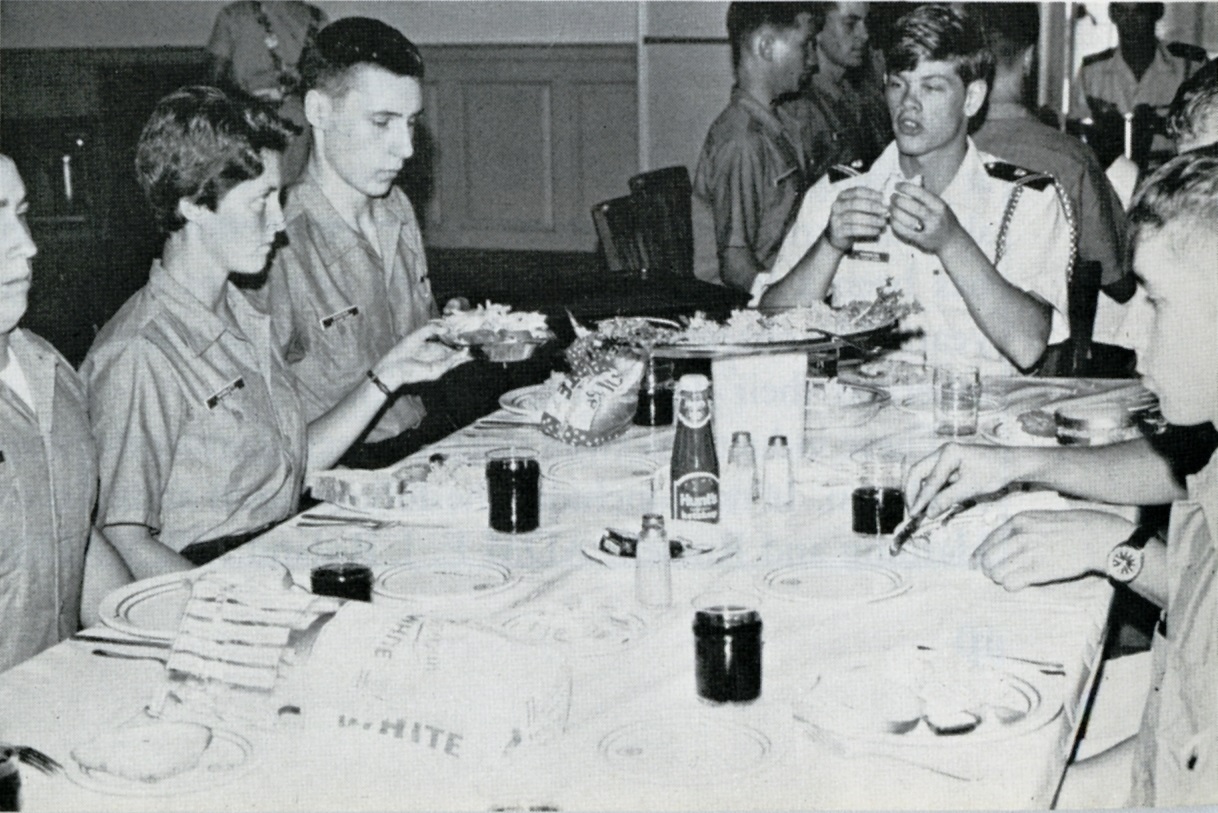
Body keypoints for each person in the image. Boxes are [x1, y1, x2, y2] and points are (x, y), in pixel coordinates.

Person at [905, 144, 1218, 808]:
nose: (1132, 331)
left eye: (1157, 304)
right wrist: (1022, 464)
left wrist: (1118, 547)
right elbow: (1172, 741)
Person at [81, 87, 469, 580]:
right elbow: (120, 540)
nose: (280, 222)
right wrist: (228, 613)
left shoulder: (242, 315)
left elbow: (291, 470)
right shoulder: (140, 351)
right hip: (208, 582)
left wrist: (387, 376)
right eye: (261, 200)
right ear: (192, 205)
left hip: (279, 554)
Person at [759, 4, 1071, 375]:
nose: (909, 103)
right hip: (866, 417)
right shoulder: (837, 194)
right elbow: (765, 330)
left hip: (978, 418)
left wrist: (952, 242)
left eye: (932, 87)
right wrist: (829, 245)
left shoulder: (1025, 200)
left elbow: (1028, 347)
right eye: (898, 84)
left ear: (972, 98)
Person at [262, 17, 457, 470]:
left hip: (420, 448)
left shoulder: (397, 208)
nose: (406, 149)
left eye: (410, 123)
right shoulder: (276, 246)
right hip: (330, 479)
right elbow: (268, 459)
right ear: (319, 112)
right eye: (382, 122)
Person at [0, 154, 131, 673]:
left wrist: (161, 642)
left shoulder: (46, 368)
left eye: (21, 212)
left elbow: (71, 535)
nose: (27, 246)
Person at [973, 3, 1134, 306]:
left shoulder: (943, 148)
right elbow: (1119, 285)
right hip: (1045, 343)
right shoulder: (1070, 160)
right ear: (1030, 58)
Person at [692, 3, 818, 293]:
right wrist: (786, 300)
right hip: (736, 306)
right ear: (766, 47)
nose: (813, 60)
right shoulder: (742, 141)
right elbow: (735, 267)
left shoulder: (780, 125)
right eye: (804, 45)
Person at [207, 0, 327, 185]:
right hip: (294, 122)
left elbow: (214, 80)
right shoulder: (317, 18)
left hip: (247, 118)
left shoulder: (233, 14)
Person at [1070, 2, 1207, 159]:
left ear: (1157, 11)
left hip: (1172, 170)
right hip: (1111, 172)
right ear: (1112, 14)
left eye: (1139, 12)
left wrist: (1159, 125)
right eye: (1122, 12)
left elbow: (1207, 128)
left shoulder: (1189, 66)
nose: (1129, 22)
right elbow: (1075, 133)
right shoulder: (1091, 72)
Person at [786, 2, 893, 179]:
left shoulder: (868, 96)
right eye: (850, 24)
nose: (864, 35)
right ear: (817, 29)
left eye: (867, 24)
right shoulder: (800, 111)